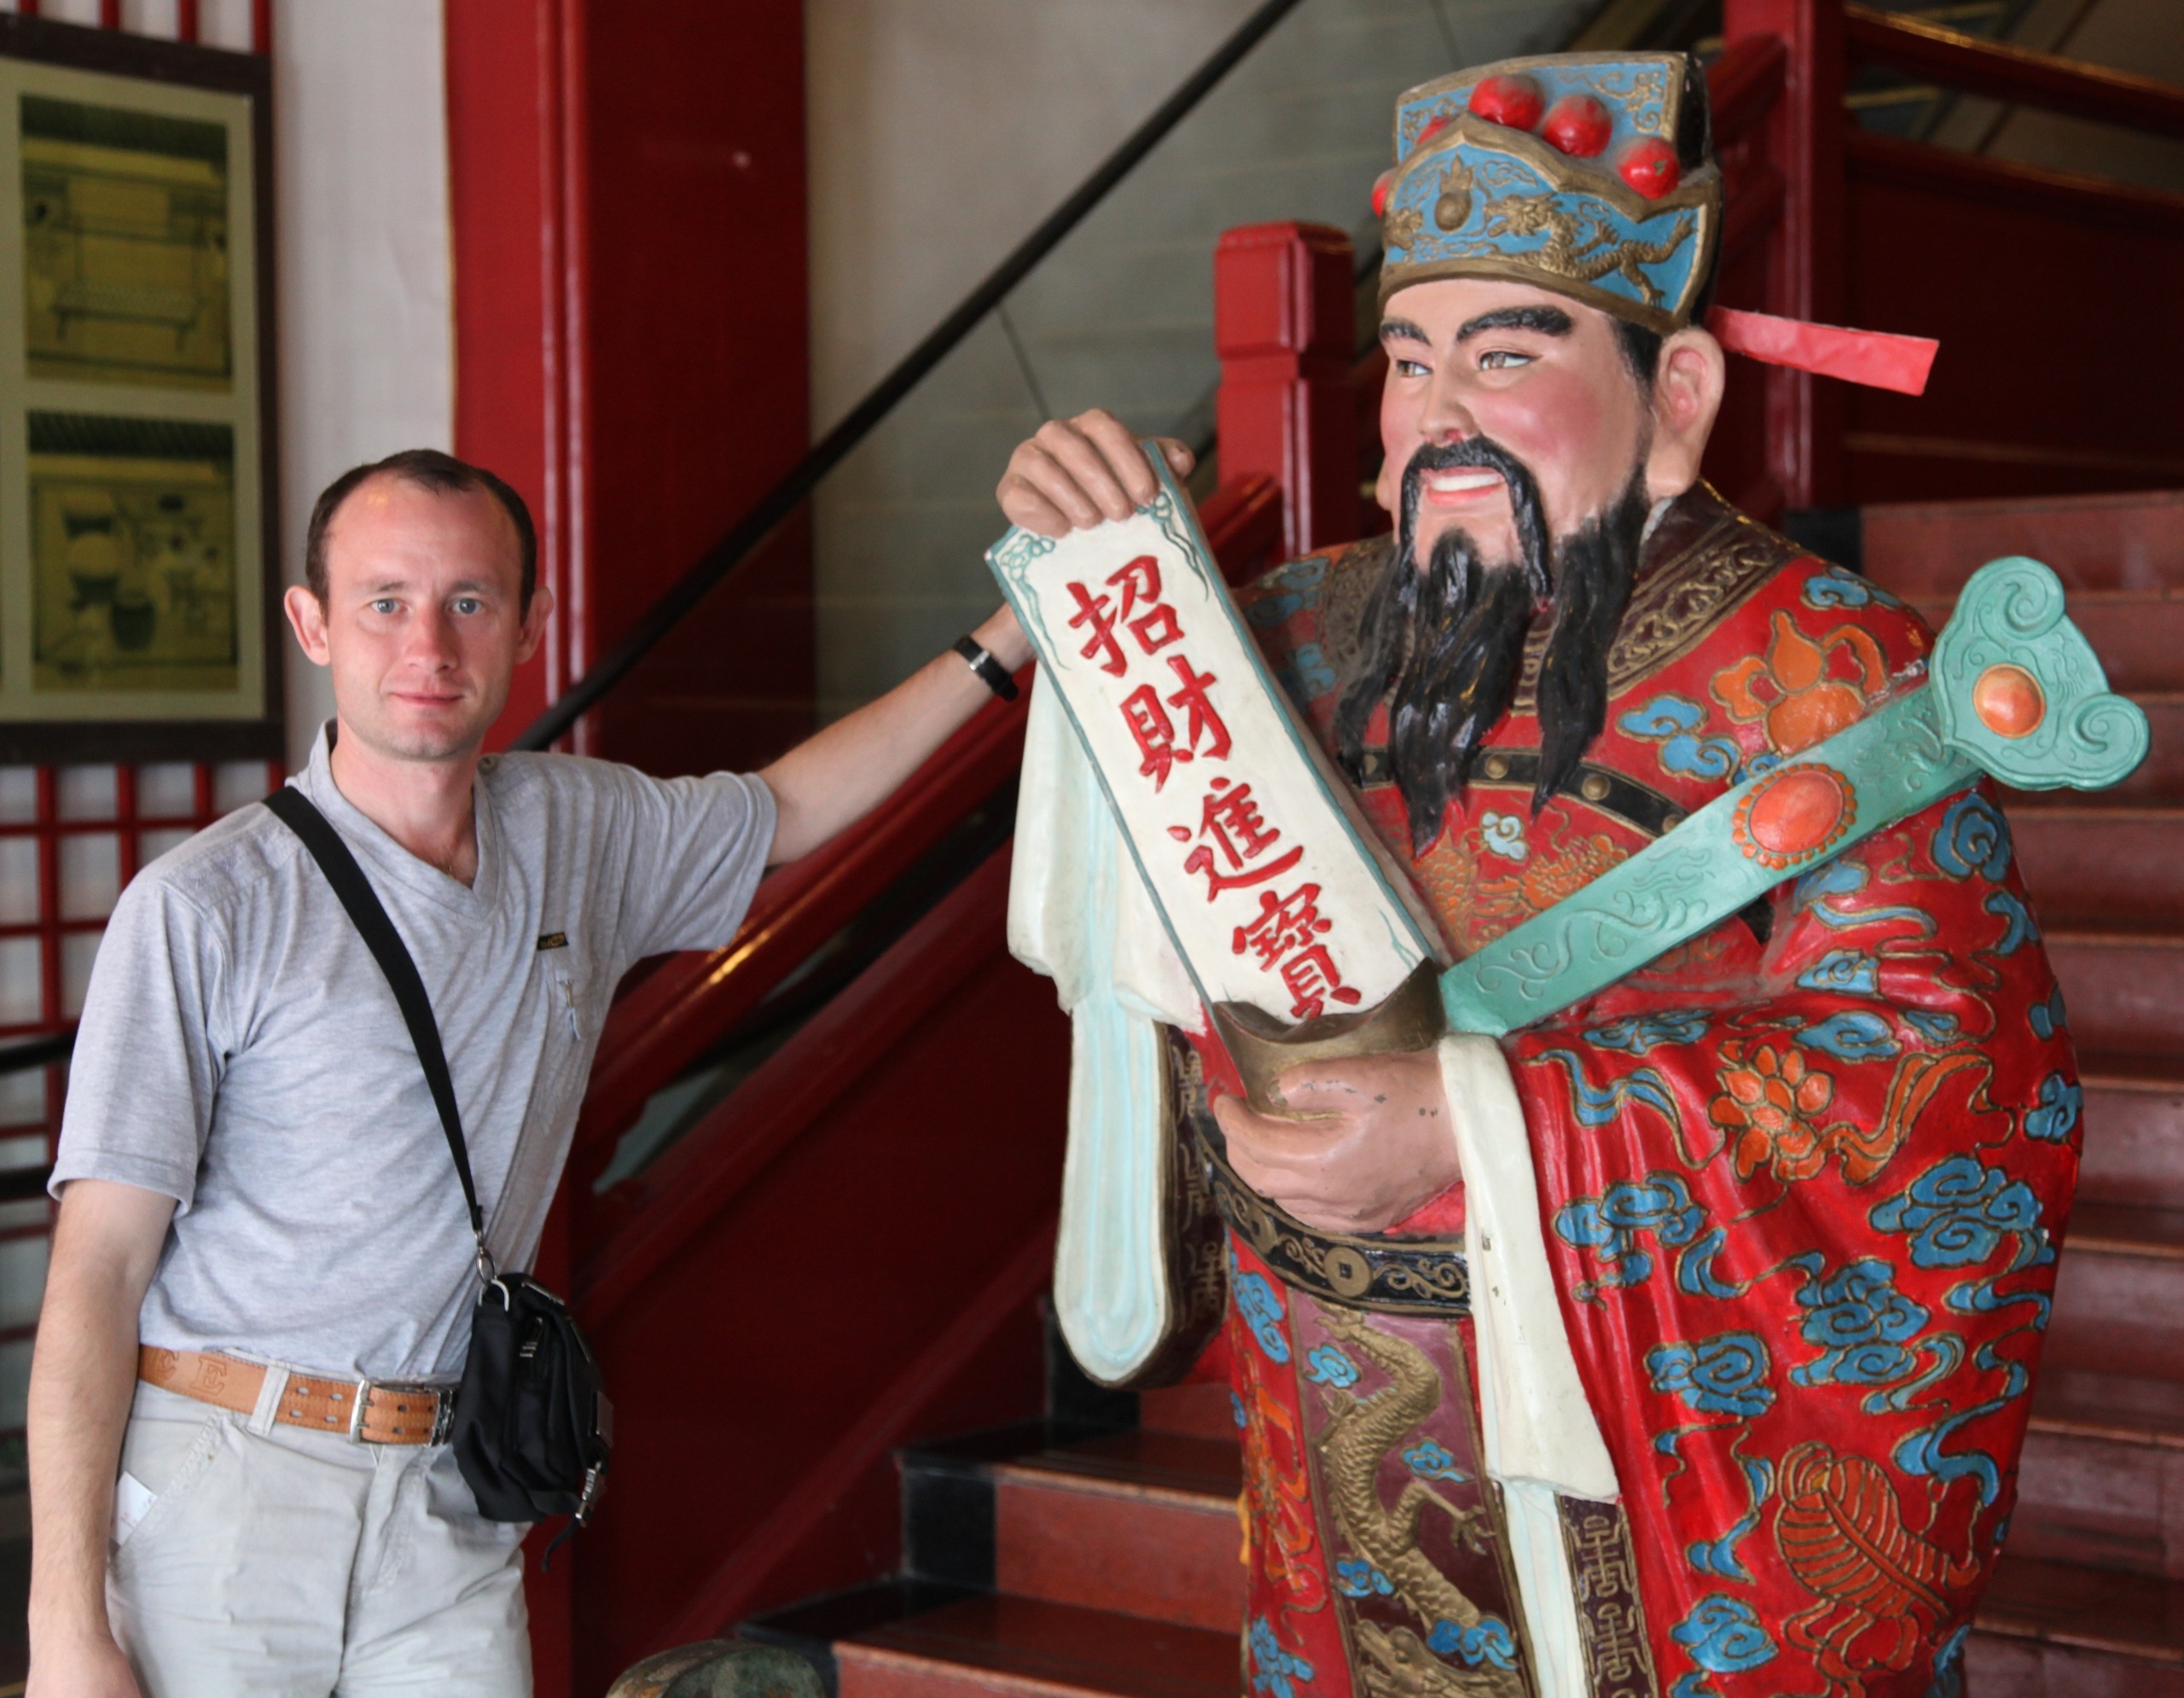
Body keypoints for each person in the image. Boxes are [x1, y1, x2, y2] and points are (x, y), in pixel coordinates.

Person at [998, 52, 2075, 1698]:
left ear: (1679, 392)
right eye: (1409, 360)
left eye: (1505, 357)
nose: (1439, 414)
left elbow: (1946, 1081)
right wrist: (1114, 593)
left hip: (1644, 1459)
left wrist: (1480, 1126)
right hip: (1326, 1413)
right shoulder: (1286, 633)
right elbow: (1141, 924)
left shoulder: (1828, 672)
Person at [26, 449, 1030, 1697]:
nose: (429, 646)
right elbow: (97, 1271)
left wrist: (1011, 631)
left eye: (470, 601)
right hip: (227, 1477)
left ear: (528, 624)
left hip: (450, 1489)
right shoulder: (206, 906)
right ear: (313, 624)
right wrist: (65, 1625)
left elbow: (788, 809)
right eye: (384, 601)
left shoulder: (574, 830)